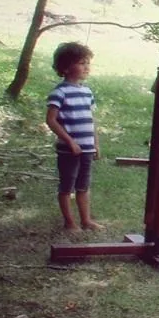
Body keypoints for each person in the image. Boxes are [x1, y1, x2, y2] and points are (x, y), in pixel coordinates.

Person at [46, 42, 103, 232]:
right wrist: (70, 141)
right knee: (67, 186)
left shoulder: (87, 92)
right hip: (69, 149)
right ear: (66, 67)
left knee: (83, 186)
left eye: (88, 63)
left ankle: (86, 220)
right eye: (82, 63)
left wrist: (96, 143)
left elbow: (90, 119)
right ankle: (69, 222)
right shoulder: (59, 92)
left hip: (86, 148)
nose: (87, 67)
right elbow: (51, 120)